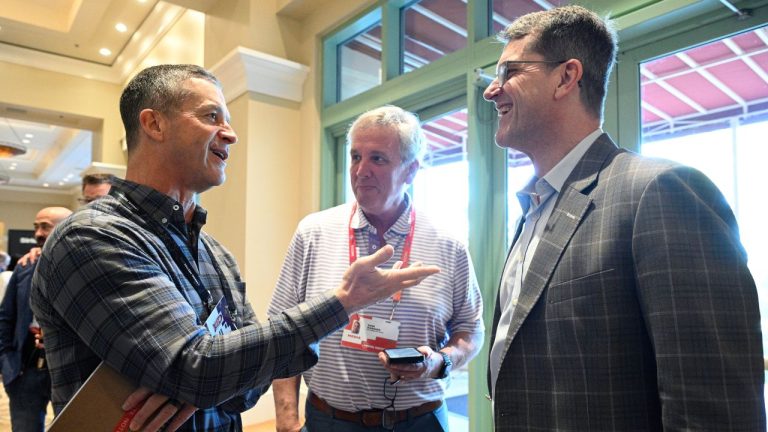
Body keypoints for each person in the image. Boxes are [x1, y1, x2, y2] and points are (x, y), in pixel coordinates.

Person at [29, 64, 439, 432]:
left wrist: (207, 379)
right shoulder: (94, 237)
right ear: (154, 124)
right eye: (211, 117)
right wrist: (343, 303)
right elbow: (198, 370)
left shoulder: (214, 254)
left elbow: (244, 386)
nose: (231, 133)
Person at [482, 5, 764, 431]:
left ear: (566, 76)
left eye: (509, 72)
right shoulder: (534, 209)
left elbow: (714, 411)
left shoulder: (661, 191)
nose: (491, 90)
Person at [269, 106, 484, 432]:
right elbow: (282, 330)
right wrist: (286, 421)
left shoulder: (447, 244)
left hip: (421, 421)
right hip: (330, 420)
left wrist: (439, 362)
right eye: (356, 157)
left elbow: (471, 329)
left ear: (411, 171)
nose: (361, 170)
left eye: (377, 159)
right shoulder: (313, 232)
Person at [0, 207, 72, 431]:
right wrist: (5, 360)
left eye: (46, 227)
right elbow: (5, 317)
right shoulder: (24, 266)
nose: (38, 233)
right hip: (25, 368)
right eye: (36, 226)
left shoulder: (81, 268)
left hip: (68, 369)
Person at [16, 173, 113, 268]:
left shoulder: (125, 232)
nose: (91, 207)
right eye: (88, 200)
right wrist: (43, 251)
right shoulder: (78, 231)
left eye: (100, 201)